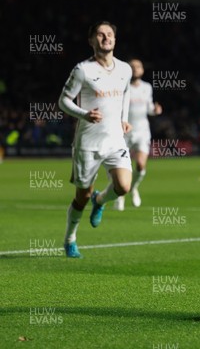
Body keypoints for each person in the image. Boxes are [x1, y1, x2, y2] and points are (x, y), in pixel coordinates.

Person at [58, 21, 133, 258]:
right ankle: (70, 239)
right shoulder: (82, 70)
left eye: (110, 34)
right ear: (92, 40)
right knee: (82, 196)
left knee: (123, 186)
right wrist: (84, 114)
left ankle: (100, 201)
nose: (106, 37)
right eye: (100, 34)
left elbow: (126, 93)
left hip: (115, 140)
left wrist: (124, 118)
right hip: (88, 143)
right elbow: (63, 101)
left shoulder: (125, 69)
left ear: (115, 39)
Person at [114, 59, 162, 210]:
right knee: (121, 167)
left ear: (142, 70)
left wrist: (154, 110)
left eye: (138, 66)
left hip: (142, 131)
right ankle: (120, 194)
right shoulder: (121, 86)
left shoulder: (147, 87)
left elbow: (148, 107)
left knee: (141, 165)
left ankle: (133, 188)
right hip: (124, 131)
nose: (135, 69)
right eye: (132, 67)